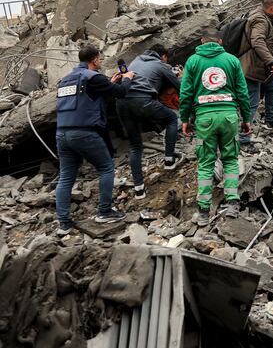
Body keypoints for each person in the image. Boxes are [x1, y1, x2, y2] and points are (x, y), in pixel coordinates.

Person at [54, 45, 134, 235]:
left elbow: (86, 98)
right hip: (84, 132)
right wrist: (127, 80)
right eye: (100, 59)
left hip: (62, 134)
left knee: (66, 177)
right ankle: (104, 211)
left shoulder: (65, 80)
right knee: (106, 167)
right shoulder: (93, 77)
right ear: (96, 60)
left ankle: (64, 224)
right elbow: (121, 93)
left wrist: (111, 82)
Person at [179, 29, 251, 226]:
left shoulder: (193, 61)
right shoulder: (231, 60)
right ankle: (232, 204)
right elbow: (242, 92)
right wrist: (247, 118)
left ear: (202, 41)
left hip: (204, 118)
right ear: (220, 41)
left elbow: (185, 92)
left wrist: (184, 118)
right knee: (230, 159)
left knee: (205, 163)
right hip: (229, 116)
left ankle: (203, 213)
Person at [116, 44, 183, 199]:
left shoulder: (135, 61)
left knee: (135, 145)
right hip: (141, 100)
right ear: (164, 56)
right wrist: (179, 75)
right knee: (172, 119)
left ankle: (139, 189)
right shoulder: (160, 64)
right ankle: (169, 160)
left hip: (121, 102)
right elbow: (179, 86)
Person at [239, 0, 273, 141]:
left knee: (272, 85)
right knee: (252, 101)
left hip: (259, 65)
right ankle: (244, 138)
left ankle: (270, 119)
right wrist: (271, 62)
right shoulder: (260, 20)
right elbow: (257, 42)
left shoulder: (260, 17)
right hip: (251, 66)